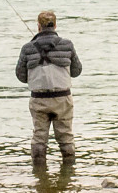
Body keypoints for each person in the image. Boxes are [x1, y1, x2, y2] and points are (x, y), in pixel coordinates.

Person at [15, 10, 81, 167]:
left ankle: (39, 176)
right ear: (55, 25)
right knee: (66, 138)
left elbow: (21, 76)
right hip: (62, 99)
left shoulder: (27, 48)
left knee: (39, 138)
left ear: (38, 27)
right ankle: (68, 173)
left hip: (39, 99)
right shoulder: (67, 45)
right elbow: (76, 71)